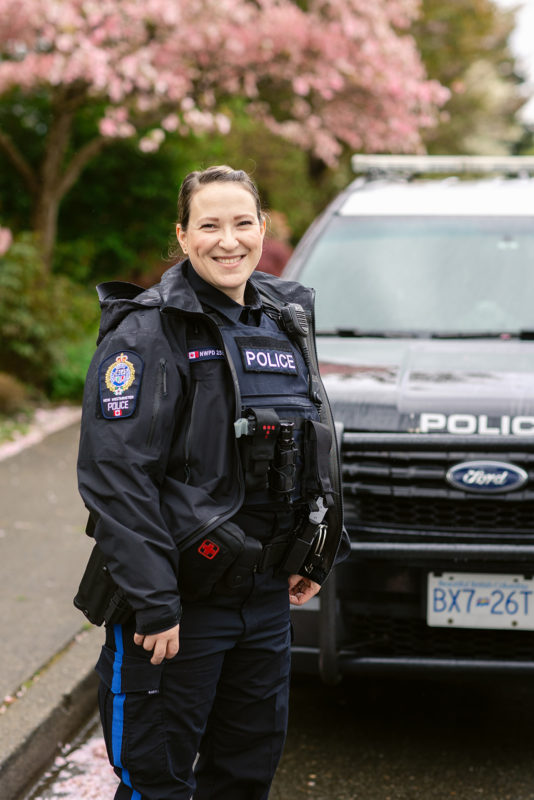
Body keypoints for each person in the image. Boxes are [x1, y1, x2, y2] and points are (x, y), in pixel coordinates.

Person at [75, 165, 348, 800]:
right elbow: (117, 479)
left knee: (243, 778)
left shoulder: (282, 321)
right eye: (209, 225)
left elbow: (314, 440)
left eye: (242, 223)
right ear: (183, 234)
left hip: (263, 604)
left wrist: (319, 549)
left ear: (263, 229)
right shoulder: (145, 334)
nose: (228, 241)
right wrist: (156, 601)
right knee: (157, 783)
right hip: (175, 609)